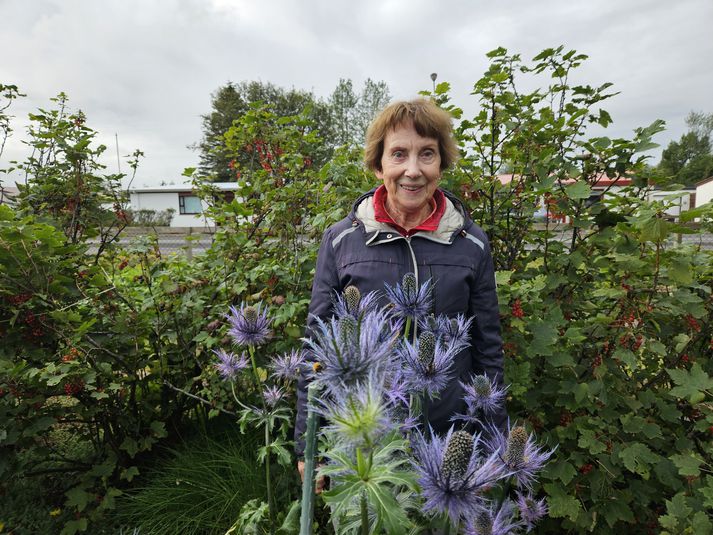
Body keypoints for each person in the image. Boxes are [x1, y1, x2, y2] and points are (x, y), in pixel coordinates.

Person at [295, 98, 507, 482]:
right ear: (379, 166)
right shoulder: (342, 240)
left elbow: (487, 346)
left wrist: (494, 439)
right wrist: (307, 446)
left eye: (427, 154)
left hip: (447, 442)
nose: (413, 170)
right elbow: (317, 347)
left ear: (441, 164)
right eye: (398, 154)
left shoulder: (470, 243)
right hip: (365, 442)